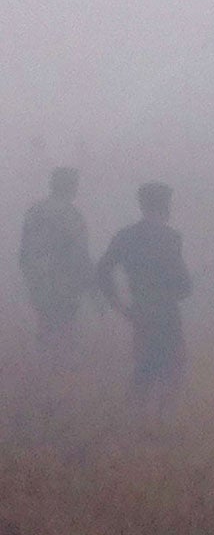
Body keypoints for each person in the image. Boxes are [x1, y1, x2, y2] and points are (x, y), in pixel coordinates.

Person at [95, 183, 193, 409]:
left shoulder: (125, 237)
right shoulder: (170, 238)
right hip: (167, 314)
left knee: (144, 368)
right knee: (172, 370)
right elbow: (183, 285)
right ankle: (160, 426)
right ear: (164, 205)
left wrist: (119, 305)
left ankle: (135, 424)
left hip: (140, 312)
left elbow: (102, 271)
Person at [20, 167, 93, 355]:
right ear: (70, 186)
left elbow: (24, 253)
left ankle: (43, 376)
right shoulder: (72, 215)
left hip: (40, 284)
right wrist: (90, 285)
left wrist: (32, 278)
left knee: (45, 332)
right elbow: (80, 254)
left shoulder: (34, 212)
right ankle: (59, 376)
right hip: (64, 286)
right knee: (64, 338)